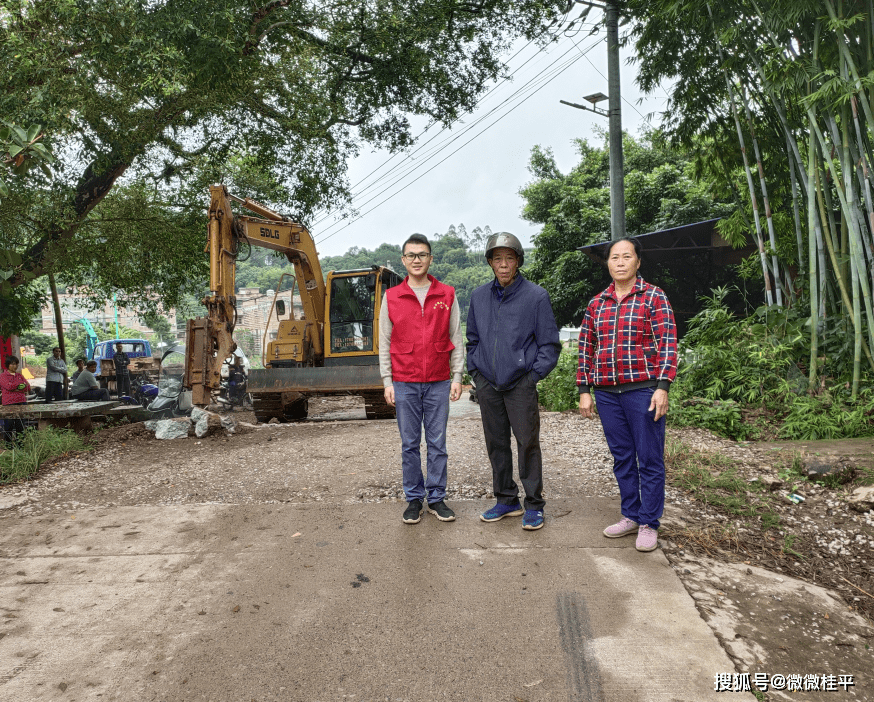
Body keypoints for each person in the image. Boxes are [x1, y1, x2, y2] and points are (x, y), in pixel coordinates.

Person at [577, 237, 678, 553]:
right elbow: (585, 349)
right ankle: (631, 515)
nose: (619, 262)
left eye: (626, 256)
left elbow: (668, 343)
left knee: (648, 458)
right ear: (608, 263)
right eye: (614, 257)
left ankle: (649, 522)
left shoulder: (653, 298)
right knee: (622, 458)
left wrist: (663, 387)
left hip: (643, 391)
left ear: (637, 262)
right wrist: (584, 390)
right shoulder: (597, 304)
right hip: (607, 393)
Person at [466, 232, 560, 531]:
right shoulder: (478, 297)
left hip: (521, 383)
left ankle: (534, 504)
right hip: (488, 384)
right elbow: (472, 340)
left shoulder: (536, 296)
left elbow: (549, 345)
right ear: (490, 262)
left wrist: (532, 377)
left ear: (518, 261)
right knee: (496, 443)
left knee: (527, 442)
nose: (503, 264)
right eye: (497, 258)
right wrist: (476, 373)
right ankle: (507, 499)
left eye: (509, 258)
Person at [381, 233, 464, 524]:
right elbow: (384, 342)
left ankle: (437, 498)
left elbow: (456, 336)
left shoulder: (447, 294)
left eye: (422, 254)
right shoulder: (391, 297)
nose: (417, 260)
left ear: (430, 258)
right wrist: (387, 381)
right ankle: (414, 499)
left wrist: (457, 376)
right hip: (404, 381)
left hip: (439, 381)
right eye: (411, 255)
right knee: (409, 444)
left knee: (438, 443)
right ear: (403, 260)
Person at [1, 355, 30, 444]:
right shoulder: (2, 376)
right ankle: (8, 446)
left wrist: (15, 387)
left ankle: (20, 445)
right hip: (9, 404)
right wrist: (20, 386)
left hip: (21, 402)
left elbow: (28, 387)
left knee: (20, 425)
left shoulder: (19, 375)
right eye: (13, 364)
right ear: (8, 365)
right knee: (8, 426)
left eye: (16, 364)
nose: (15, 366)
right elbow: (8, 387)